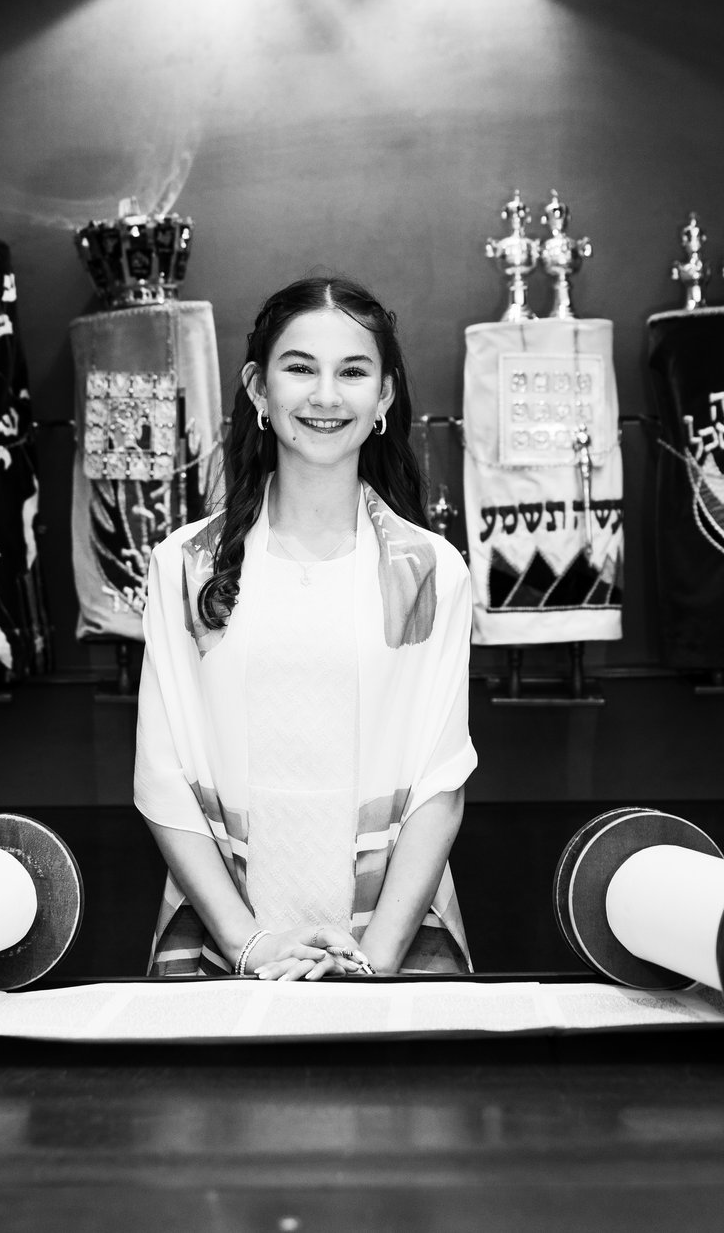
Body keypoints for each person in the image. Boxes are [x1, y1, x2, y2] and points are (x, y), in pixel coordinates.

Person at [134, 277, 476, 980]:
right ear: (259, 388)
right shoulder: (185, 566)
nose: (326, 395)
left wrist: (372, 963)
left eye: (353, 371)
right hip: (225, 939)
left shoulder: (430, 569)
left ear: (383, 397)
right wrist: (248, 943)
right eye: (300, 367)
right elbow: (161, 779)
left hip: (390, 941)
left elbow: (441, 785)